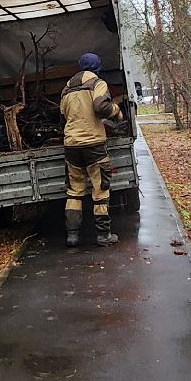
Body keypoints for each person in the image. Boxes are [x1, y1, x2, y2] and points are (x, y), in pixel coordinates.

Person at [60, 52, 119, 248]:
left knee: (74, 190)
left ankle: (72, 236)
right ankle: (103, 236)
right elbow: (101, 106)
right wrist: (116, 111)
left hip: (71, 146)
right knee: (100, 189)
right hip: (93, 145)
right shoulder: (97, 83)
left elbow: (62, 114)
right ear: (97, 67)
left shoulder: (67, 88)